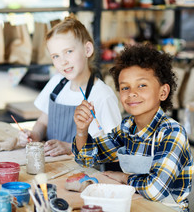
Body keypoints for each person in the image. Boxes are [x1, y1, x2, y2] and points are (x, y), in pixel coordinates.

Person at [73, 44, 194, 211]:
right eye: (125, 87)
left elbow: (154, 190)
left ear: (163, 92)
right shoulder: (127, 127)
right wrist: (81, 130)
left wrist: (124, 177)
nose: (132, 93)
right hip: (135, 205)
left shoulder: (172, 132)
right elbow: (88, 158)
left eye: (142, 85)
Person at [18, 14, 122, 157]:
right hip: (52, 167)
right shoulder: (56, 83)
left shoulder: (102, 95)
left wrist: (70, 147)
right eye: (56, 56)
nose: (63, 61)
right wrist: (34, 135)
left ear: (87, 50)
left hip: (85, 174)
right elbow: (42, 122)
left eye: (68, 52)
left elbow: (116, 146)